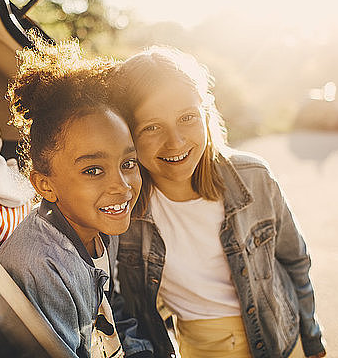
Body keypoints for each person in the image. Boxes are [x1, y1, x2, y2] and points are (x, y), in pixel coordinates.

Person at [112, 46, 326, 358]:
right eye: (152, 127)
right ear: (128, 135)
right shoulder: (124, 209)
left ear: (206, 113)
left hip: (281, 338)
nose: (176, 141)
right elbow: (116, 299)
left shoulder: (253, 177)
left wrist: (313, 338)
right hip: (200, 348)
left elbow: (295, 260)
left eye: (187, 118)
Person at [0, 36, 153, 358]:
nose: (121, 186)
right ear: (45, 184)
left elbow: (110, 306)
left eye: (128, 163)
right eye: (93, 170)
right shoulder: (41, 266)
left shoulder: (101, 227)